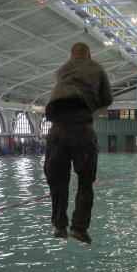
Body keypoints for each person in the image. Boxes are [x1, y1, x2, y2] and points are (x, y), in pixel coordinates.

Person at [43, 42, 113, 244]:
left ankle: (59, 225)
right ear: (89, 55)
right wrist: (91, 102)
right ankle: (79, 228)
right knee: (85, 182)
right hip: (82, 129)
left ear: (71, 56)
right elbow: (107, 98)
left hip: (56, 130)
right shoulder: (97, 68)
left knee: (57, 181)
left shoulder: (61, 70)